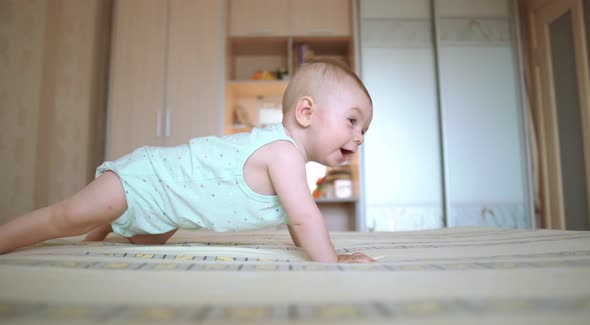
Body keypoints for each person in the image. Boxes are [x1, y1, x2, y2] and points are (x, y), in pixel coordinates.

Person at [0, 60, 374, 263]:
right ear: (306, 112)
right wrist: (332, 262)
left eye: (364, 131)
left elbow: (297, 220)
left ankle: (105, 228)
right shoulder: (282, 152)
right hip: (147, 179)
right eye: (352, 121)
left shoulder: (293, 167)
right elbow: (305, 219)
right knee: (63, 218)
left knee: (146, 237)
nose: (358, 136)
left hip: (166, 214)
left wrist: (313, 251)